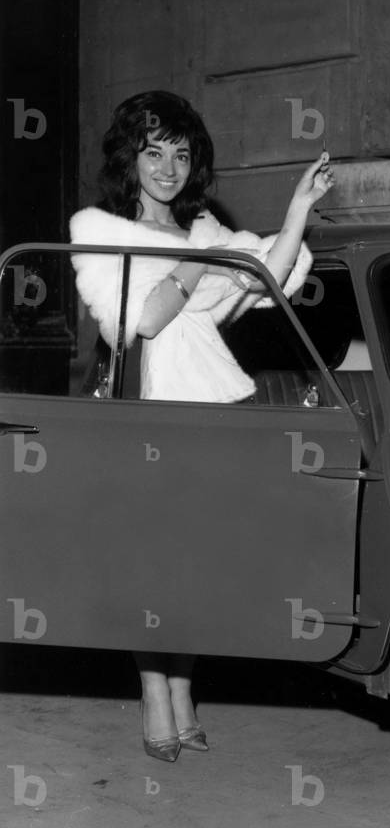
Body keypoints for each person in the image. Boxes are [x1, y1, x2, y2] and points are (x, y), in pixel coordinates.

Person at [69, 90, 334, 762]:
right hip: (147, 412)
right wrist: (198, 255)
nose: (166, 167)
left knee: (192, 565)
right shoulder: (99, 229)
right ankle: (154, 697)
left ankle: (183, 693)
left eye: (180, 153)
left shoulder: (208, 228)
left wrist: (298, 209)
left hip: (213, 404)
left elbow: (267, 276)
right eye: (152, 151)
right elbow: (145, 319)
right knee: (150, 564)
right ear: (128, 158)